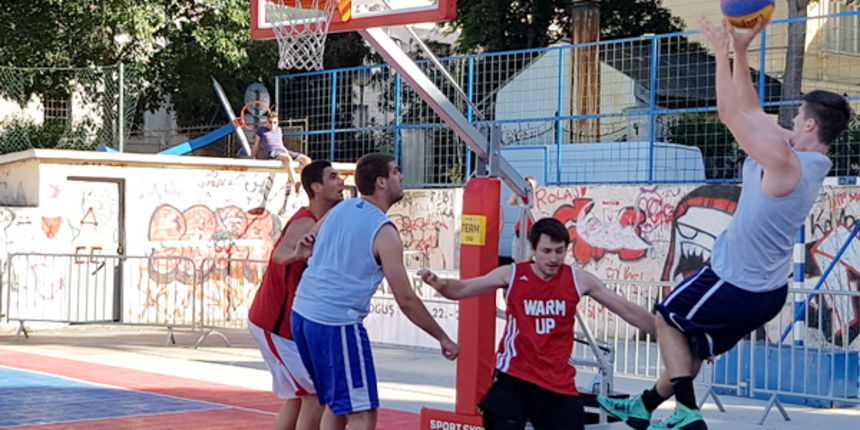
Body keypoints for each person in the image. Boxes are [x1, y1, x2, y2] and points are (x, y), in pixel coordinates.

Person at [597, 17, 852, 430]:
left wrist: (721, 53)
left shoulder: (787, 163)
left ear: (809, 124)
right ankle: (645, 405)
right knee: (689, 350)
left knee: (667, 318)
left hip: (738, 280)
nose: (790, 117)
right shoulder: (800, 156)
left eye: (798, 113)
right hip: (763, 286)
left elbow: (730, 113)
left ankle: (687, 413)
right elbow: (750, 108)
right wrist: (741, 49)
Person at [418, 217, 656, 430]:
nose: (553, 258)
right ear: (533, 250)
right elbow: (463, 289)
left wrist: (667, 331)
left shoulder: (578, 279)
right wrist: (440, 284)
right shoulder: (511, 274)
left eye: (559, 251)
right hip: (514, 378)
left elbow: (626, 309)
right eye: (547, 251)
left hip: (557, 384)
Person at [289, 152, 460, 430]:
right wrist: (443, 337)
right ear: (381, 182)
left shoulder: (342, 209)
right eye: (395, 172)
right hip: (336, 323)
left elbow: (309, 238)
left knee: (337, 404)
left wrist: (305, 249)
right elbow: (405, 299)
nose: (401, 176)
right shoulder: (383, 231)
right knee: (362, 414)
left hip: (303, 314)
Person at [247, 160, 345, 430]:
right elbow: (279, 254)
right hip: (275, 324)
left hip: (287, 325)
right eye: (333, 177)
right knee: (315, 396)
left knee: (298, 397)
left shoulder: (325, 222)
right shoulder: (305, 223)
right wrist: (296, 255)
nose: (341, 181)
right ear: (316, 187)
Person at [252, 112, 312, 191]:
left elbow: (281, 145)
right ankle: (295, 183)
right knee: (287, 158)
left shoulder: (279, 130)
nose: (272, 125)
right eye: (270, 122)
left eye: (275, 122)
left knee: (306, 160)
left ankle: (307, 181)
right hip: (273, 152)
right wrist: (252, 156)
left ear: (277, 123)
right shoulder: (261, 130)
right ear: (267, 122)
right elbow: (256, 144)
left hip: (283, 150)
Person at [508, 176, 538, 262]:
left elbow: (533, 203)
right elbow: (510, 201)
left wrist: (532, 189)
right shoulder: (521, 197)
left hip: (530, 232)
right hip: (519, 231)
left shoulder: (536, 197)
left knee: (527, 259)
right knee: (516, 258)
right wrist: (518, 190)